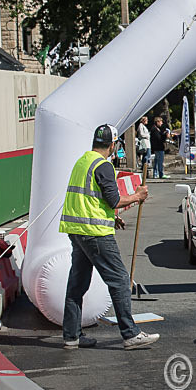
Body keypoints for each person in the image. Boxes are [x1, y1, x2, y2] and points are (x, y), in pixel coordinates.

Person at [60, 124, 160, 350]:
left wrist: (111, 217)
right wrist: (137, 196)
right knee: (120, 280)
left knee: (77, 285)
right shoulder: (103, 166)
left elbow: (90, 198)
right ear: (113, 145)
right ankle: (130, 334)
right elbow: (114, 200)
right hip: (95, 233)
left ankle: (71, 336)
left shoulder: (83, 161)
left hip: (77, 231)